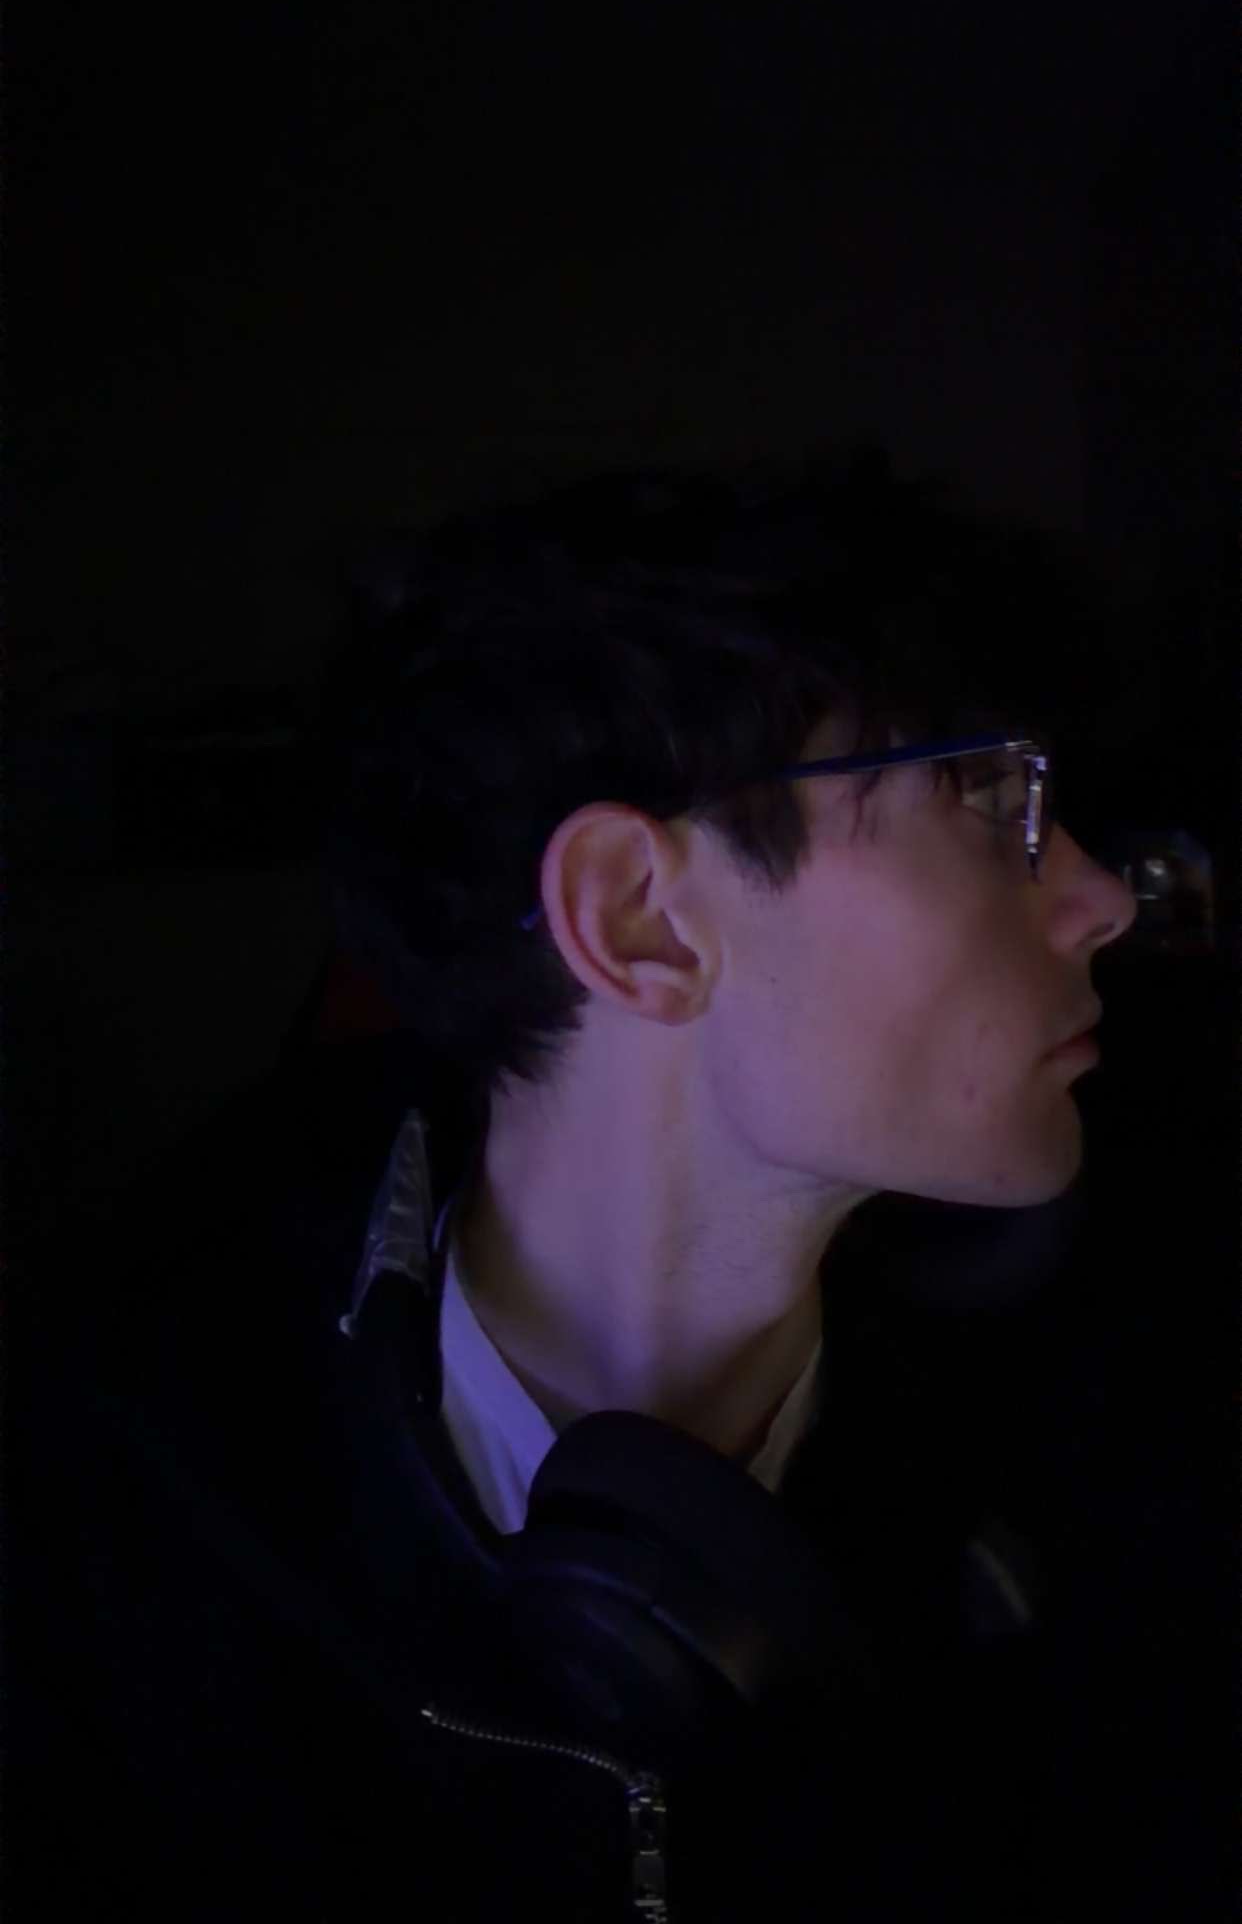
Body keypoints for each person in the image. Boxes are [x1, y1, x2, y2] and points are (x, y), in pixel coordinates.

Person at [16, 449, 1139, 1921]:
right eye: (992, 795)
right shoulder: (110, 1529)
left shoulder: (1115, 1458)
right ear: (638, 919)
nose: (1101, 896)